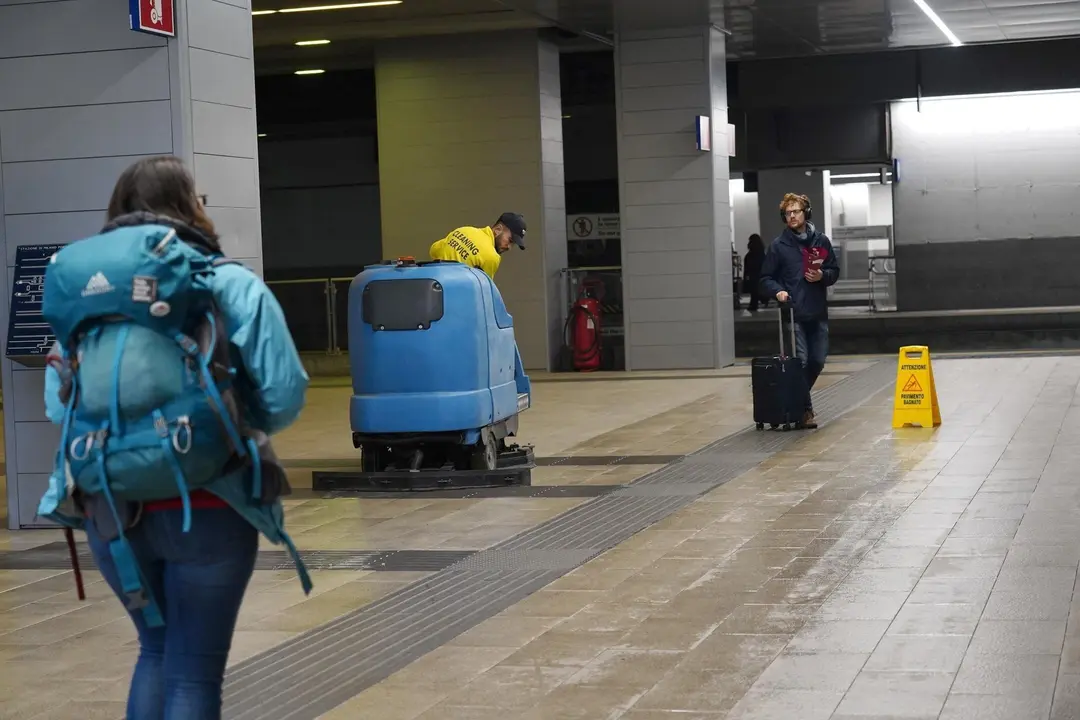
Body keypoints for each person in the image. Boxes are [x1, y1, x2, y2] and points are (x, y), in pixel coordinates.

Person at [37, 155, 310, 719]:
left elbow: (55, 405)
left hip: (111, 509)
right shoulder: (226, 283)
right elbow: (284, 395)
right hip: (211, 504)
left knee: (155, 652)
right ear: (191, 206)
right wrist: (234, 420)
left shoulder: (85, 298)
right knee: (193, 671)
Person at [759, 193, 839, 430]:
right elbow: (765, 278)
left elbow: (834, 270)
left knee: (817, 361)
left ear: (806, 213)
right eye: (788, 213)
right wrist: (778, 291)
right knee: (801, 361)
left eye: (796, 211)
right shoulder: (778, 246)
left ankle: (789, 401)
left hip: (817, 311)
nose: (792, 216)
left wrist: (822, 276)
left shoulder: (821, 241)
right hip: (793, 311)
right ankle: (804, 411)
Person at [428, 212, 527, 279]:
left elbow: (434, 250)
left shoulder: (464, 230)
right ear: (497, 230)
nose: (509, 247)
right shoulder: (492, 257)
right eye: (510, 240)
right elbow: (484, 292)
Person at [743, 233, 768, 313]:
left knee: (754, 290)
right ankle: (763, 299)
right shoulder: (762, 254)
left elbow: (747, 269)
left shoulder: (749, 256)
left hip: (752, 276)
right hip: (760, 275)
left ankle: (754, 304)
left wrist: (745, 278)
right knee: (758, 290)